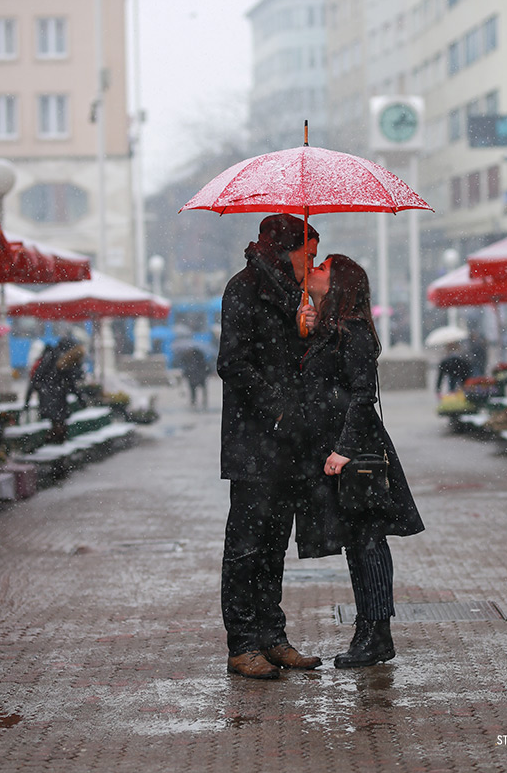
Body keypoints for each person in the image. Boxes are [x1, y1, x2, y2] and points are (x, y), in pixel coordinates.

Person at [298, 254, 424, 668]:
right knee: (358, 542)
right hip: (341, 449)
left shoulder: (352, 332)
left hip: (357, 453)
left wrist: (345, 449)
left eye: (322, 268)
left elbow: (362, 395)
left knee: (368, 542)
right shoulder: (331, 330)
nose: (312, 271)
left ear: (339, 284)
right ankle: (369, 632)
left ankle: (376, 634)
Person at [217, 212, 322, 680]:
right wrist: (277, 408)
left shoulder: (293, 295)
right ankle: (242, 644)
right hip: (253, 441)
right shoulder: (243, 288)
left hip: (289, 443)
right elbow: (232, 363)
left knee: (276, 543)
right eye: (309, 253)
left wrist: (308, 334)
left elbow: (294, 362)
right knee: (246, 546)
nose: (312, 261)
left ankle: (272, 637)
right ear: (286, 250)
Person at [25, 336, 86, 443]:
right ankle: (50, 449)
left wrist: (28, 399)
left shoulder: (57, 359)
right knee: (59, 427)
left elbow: (36, 379)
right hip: (52, 399)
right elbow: (37, 378)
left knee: (59, 427)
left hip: (54, 399)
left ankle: (54, 450)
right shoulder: (56, 358)